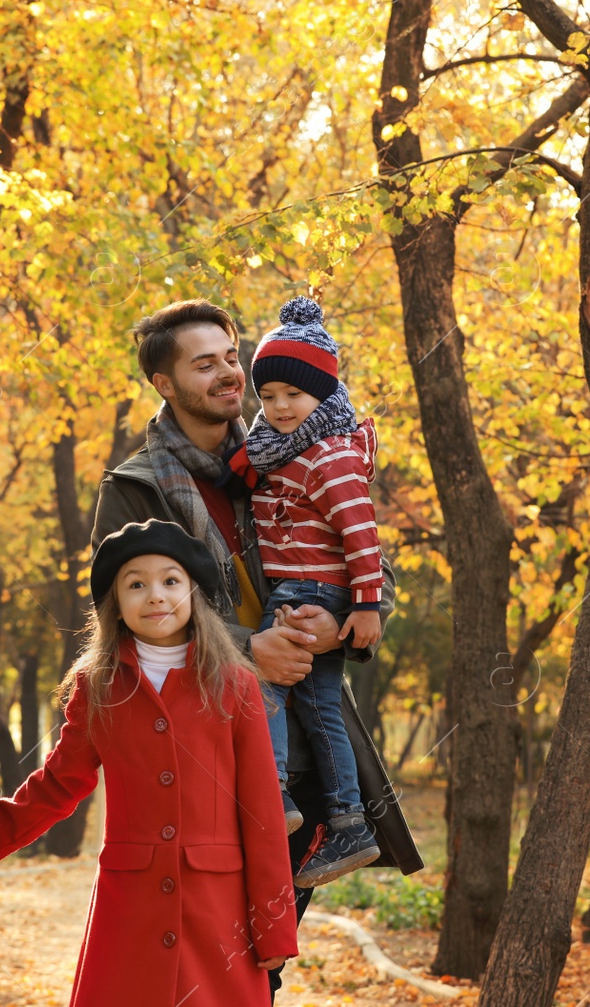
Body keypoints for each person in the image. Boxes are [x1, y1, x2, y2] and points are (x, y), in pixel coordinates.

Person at [91, 298, 423, 1001]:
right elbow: (128, 623)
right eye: (203, 362)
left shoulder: (288, 445)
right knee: (204, 970)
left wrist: (340, 623)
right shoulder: (136, 488)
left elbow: (368, 560)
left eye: (231, 356)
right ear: (163, 382)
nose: (227, 373)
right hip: (198, 765)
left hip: (298, 755)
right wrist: (250, 649)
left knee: (259, 968)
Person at [0, 519, 298, 1005]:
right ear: (117, 605)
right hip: (130, 907)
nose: (155, 596)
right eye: (136, 584)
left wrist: (273, 924)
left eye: (170, 581)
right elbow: (60, 782)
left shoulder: (235, 684)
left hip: (216, 909)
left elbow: (263, 813)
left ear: (193, 593)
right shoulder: (98, 686)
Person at [219, 297, 383, 886]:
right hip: (303, 584)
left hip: (318, 588)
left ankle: (276, 794)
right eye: (269, 397)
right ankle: (347, 823)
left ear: (324, 395)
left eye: (295, 394)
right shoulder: (284, 449)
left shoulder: (331, 453)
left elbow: (361, 533)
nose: (281, 407)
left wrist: (366, 604)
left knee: (262, 678)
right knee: (316, 705)